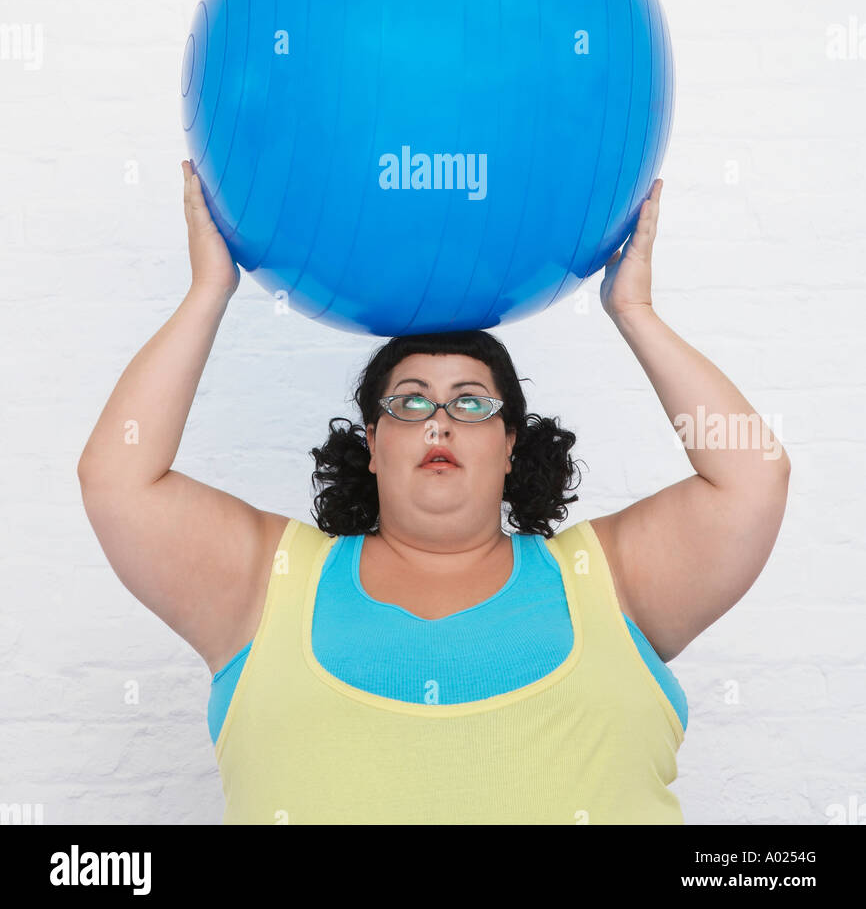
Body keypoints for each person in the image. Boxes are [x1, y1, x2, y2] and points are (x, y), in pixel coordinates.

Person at [77, 163, 790, 825]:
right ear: (372, 444)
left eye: (472, 403)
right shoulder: (268, 583)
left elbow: (753, 474)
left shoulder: (612, 581)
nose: (440, 420)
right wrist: (209, 292)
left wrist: (634, 310)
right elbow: (117, 478)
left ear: (512, 444)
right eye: (410, 404)